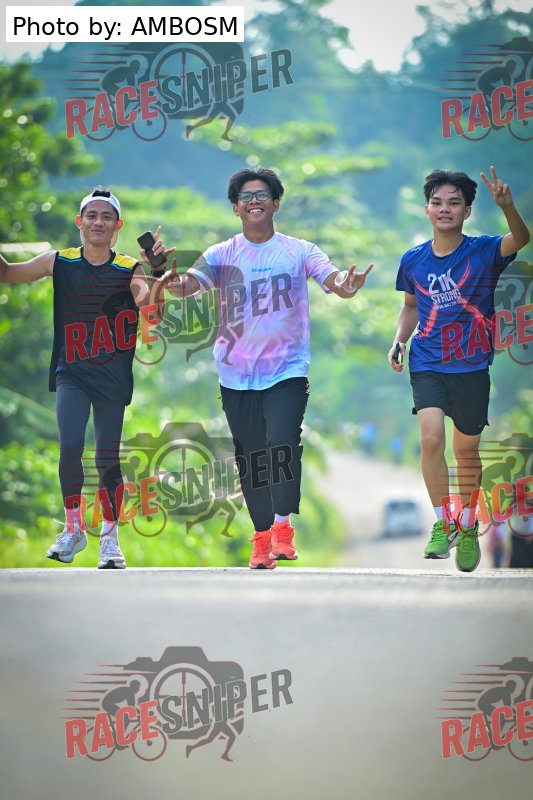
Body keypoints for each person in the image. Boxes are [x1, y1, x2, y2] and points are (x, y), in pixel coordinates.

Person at [164, 167, 373, 569]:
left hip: (286, 370)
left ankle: (282, 526)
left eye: (262, 195)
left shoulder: (299, 251)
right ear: (235, 208)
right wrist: (166, 275)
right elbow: (186, 286)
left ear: (276, 203)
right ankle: (261, 538)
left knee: (283, 441)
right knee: (251, 457)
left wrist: (346, 285)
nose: (254, 201)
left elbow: (333, 279)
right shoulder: (221, 254)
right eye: (246, 196)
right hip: (235, 374)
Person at [0, 187, 173, 569]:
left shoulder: (129, 268)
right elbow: (7, 273)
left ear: (117, 226)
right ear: (79, 222)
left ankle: (110, 539)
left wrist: (159, 272)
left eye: (106, 217)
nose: (98, 222)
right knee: (70, 445)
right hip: (72, 371)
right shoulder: (59, 261)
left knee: (107, 458)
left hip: (112, 375)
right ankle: (73, 528)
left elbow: (153, 311)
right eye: (91, 215)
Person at [388, 166, 529, 572]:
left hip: (471, 365)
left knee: (466, 452)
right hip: (427, 361)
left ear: (467, 211)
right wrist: (399, 340)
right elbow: (410, 306)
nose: (444, 209)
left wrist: (508, 207)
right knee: (431, 440)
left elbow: (521, 239)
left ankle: (468, 526)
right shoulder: (413, 259)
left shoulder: (484, 251)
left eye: (454, 203)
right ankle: (443, 522)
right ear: (427, 209)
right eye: (437, 202)